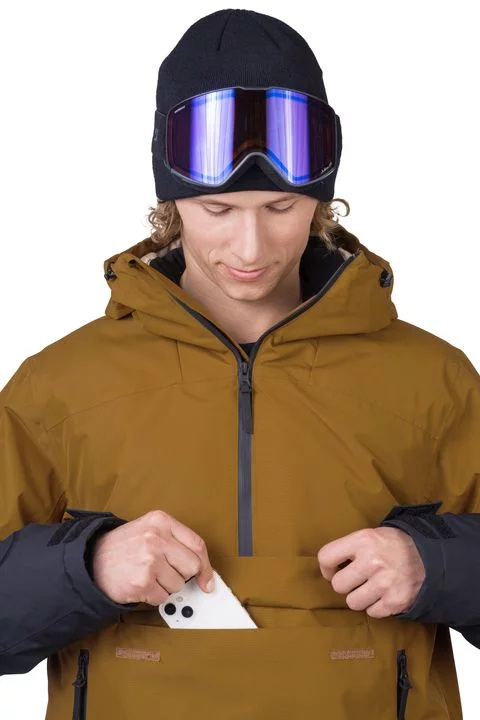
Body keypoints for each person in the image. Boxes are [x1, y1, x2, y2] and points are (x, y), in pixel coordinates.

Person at [0, 7, 479, 720]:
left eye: (280, 207)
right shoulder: (57, 386)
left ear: (319, 200)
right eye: (219, 210)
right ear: (171, 201)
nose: (251, 249)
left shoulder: (434, 380)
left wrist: (437, 565)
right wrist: (85, 565)